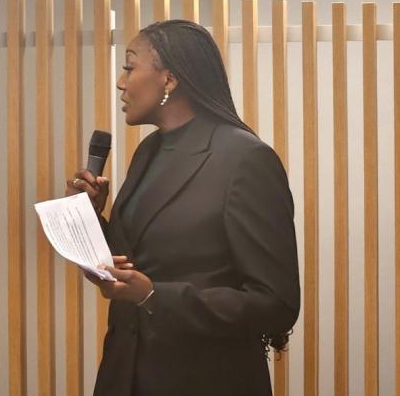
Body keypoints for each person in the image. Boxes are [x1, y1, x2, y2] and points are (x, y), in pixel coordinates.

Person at [67, 20, 300, 396]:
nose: (120, 82)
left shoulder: (245, 159)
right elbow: (138, 261)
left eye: (129, 66)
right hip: (125, 375)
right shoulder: (148, 152)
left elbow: (276, 304)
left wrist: (154, 296)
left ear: (169, 80)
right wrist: (91, 217)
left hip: (207, 380)